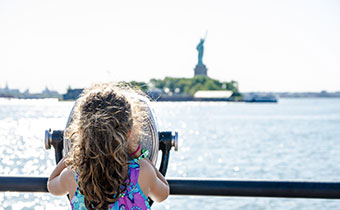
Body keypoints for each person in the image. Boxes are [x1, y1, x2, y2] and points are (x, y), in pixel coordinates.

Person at [47, 83, 169, 210]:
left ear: (81, 133)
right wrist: (138, 154)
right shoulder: (143, 172)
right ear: (128, 132)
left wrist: (73, 153)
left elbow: (52, 185)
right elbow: (163, 194)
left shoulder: (72, 175)